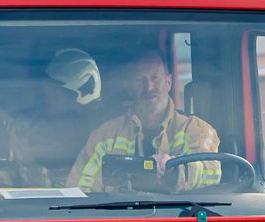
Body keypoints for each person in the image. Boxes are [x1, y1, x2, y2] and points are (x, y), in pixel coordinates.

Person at [68, 49, 222, 192]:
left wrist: (174, 169)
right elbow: (81, 188)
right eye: (139, 80)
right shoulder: (104, 135)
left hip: (179, 218)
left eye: (155, 78)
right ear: (128, 87)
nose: (149, 87)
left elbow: (211, 172)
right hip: (120, 219)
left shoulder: (197, 130)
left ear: (168, 82)